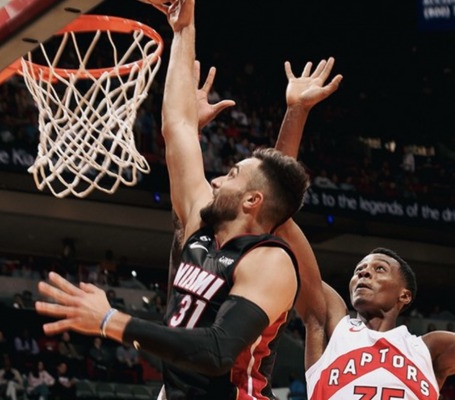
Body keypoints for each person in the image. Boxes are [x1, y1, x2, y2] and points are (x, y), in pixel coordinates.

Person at [34, 1, 320, 399]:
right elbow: (178, 127)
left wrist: (112, 320)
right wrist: (183, 30)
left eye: (231, 175)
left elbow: (217, 351)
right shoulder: (203, 223)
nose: (216, 180)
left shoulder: (270, 262)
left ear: (252, 201)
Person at [272, 76, 455, 399]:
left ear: (405, 295)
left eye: (379, 269)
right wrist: (297, 112)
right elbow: (278, 219)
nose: (363, 274)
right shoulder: (331, 322)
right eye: (359, 270)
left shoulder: (431, 348)